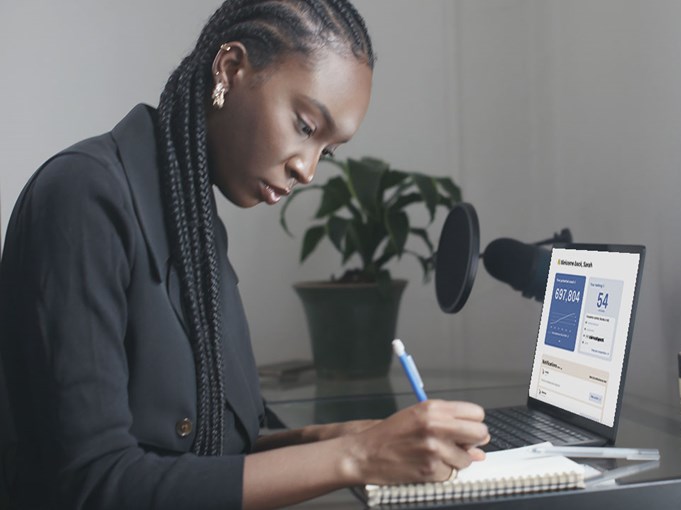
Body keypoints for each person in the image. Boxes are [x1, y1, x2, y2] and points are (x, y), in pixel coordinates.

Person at [0, 1, 490, 508]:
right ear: (230, 69)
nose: (308, 171)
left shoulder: (196, 227)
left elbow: (220, 451)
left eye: (328, 149)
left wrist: (350, 437)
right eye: (305, 126)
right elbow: (96, 483)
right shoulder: (83, 194)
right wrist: (357, 456)